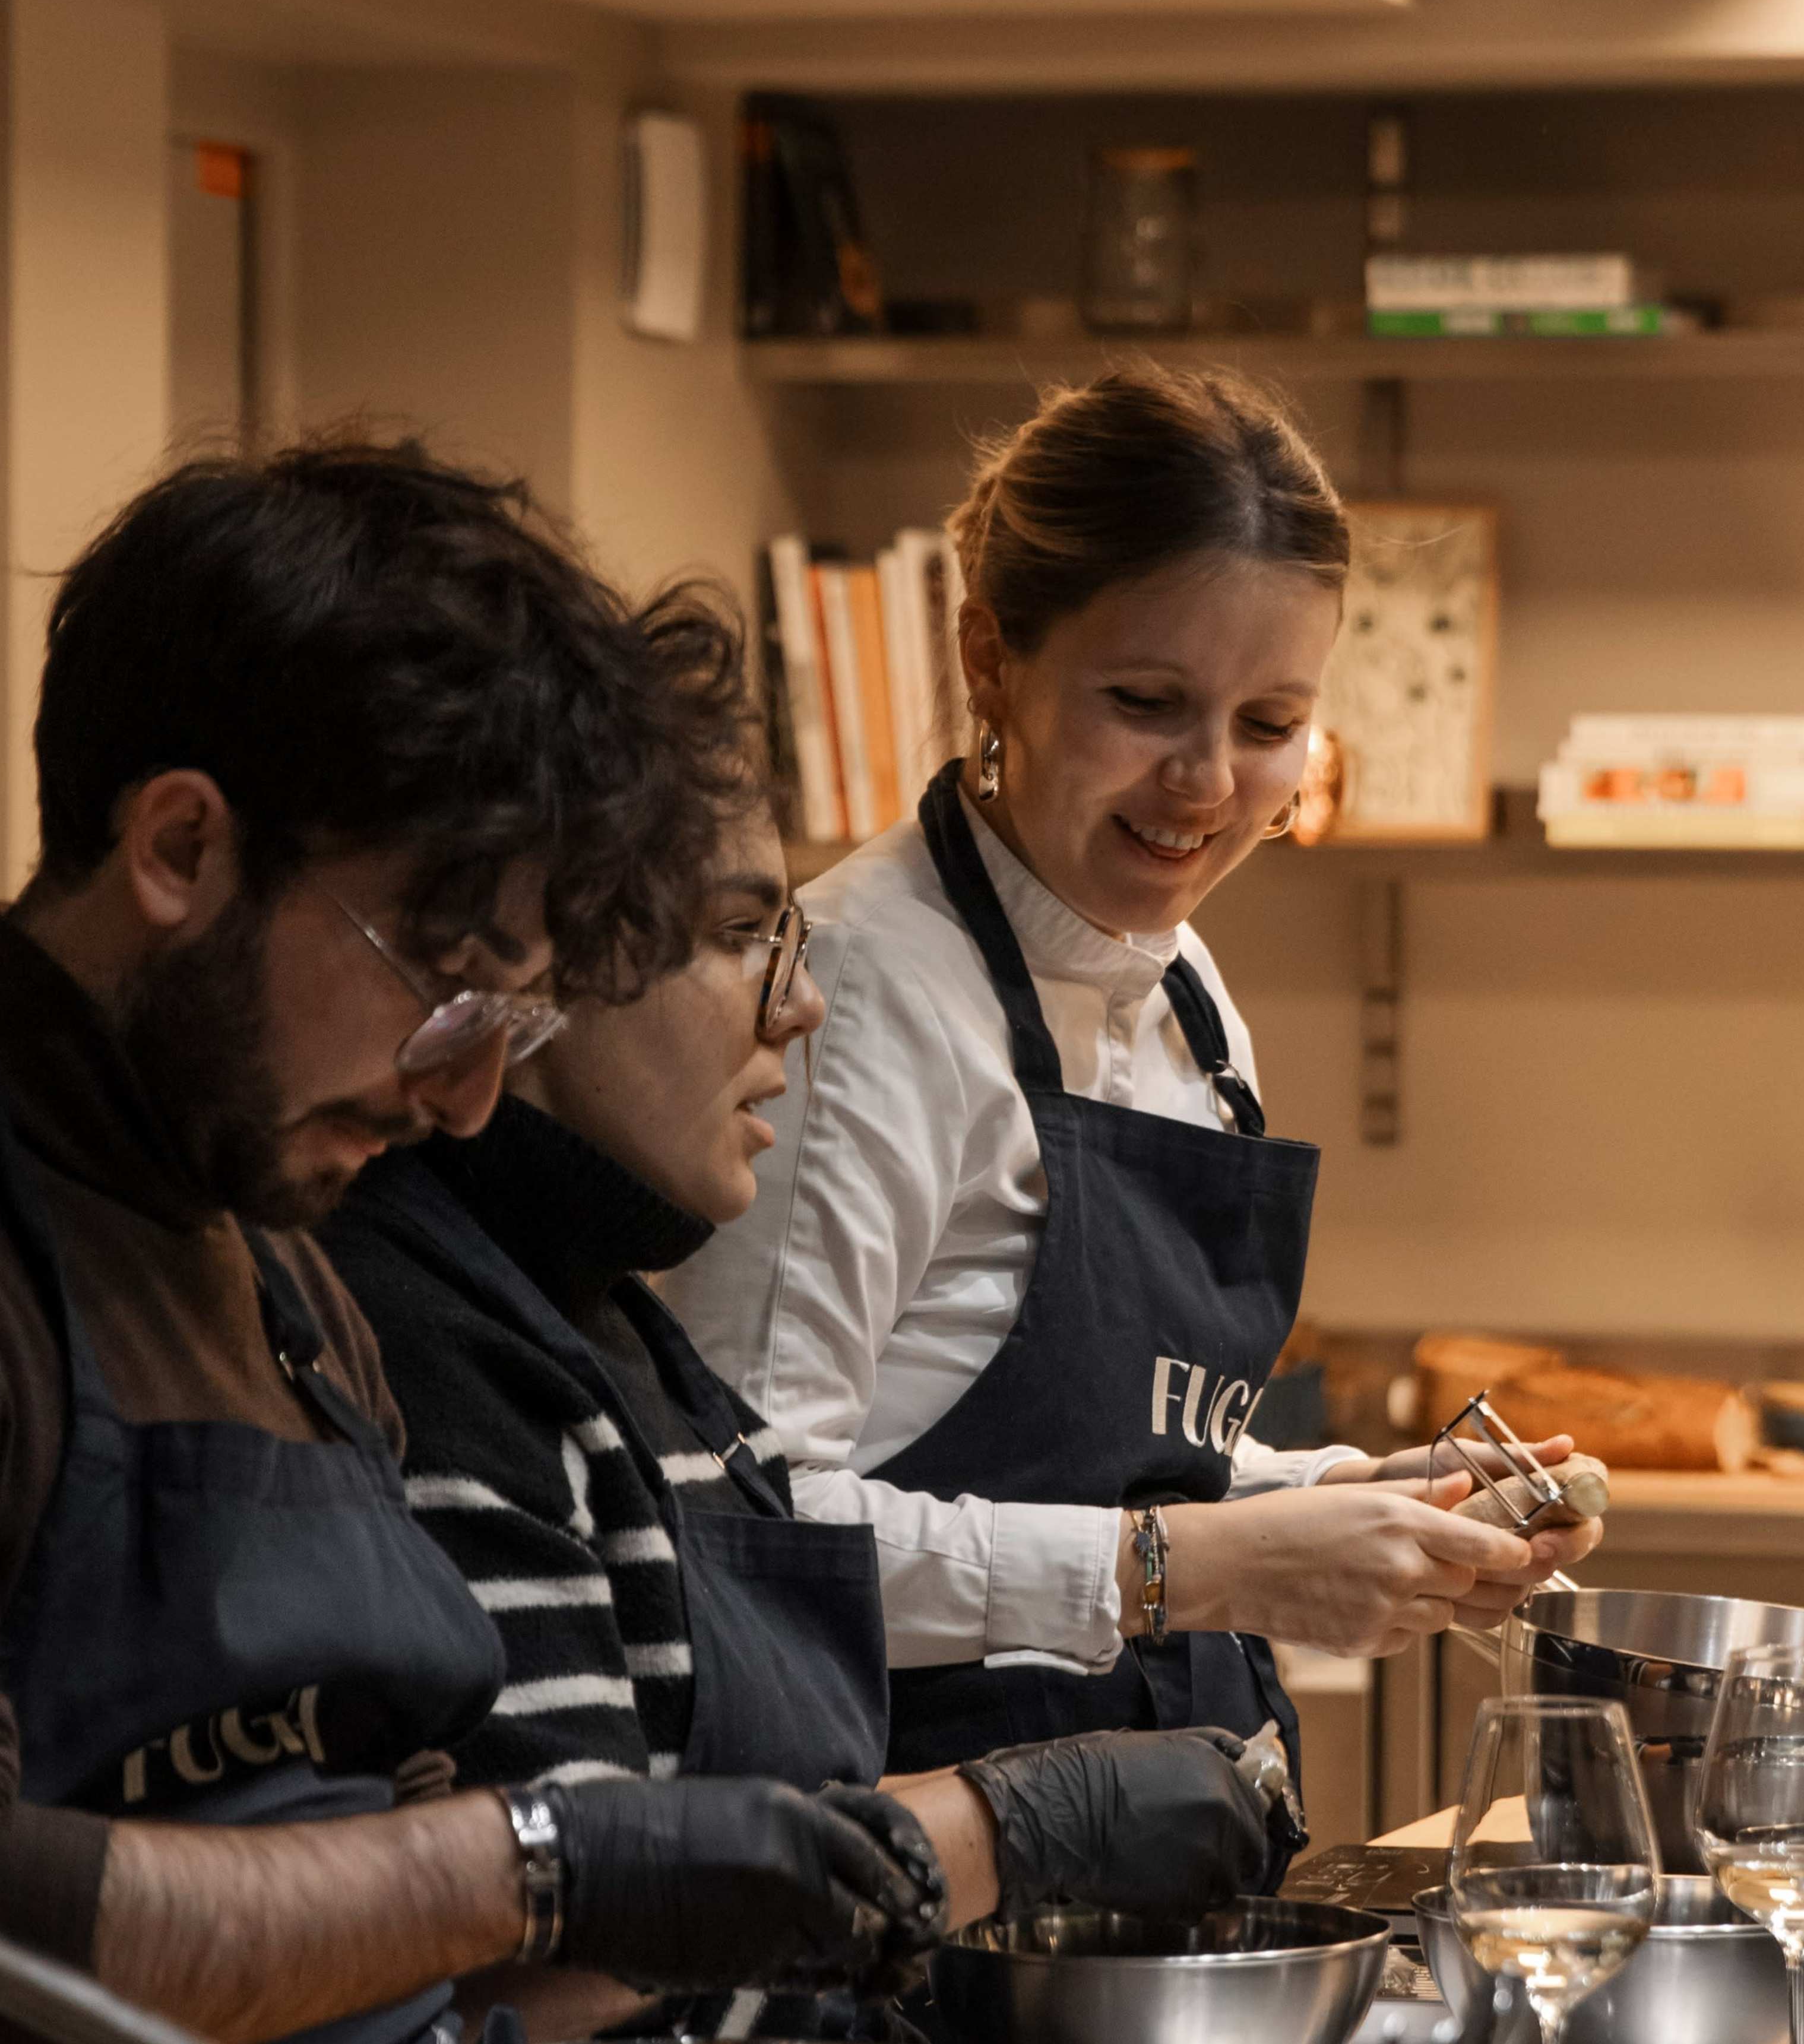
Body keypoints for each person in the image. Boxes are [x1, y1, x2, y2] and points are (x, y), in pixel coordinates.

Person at [0, 440, 939, 2044]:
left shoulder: (286, 1272)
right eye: (439, 994)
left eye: (505, 1033)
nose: (458, 1101)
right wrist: (547, 1857)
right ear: (180, 850)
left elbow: (396, 1891)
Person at [319, 591, 1299, 2044]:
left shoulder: (624, 1342)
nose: (799, 1008)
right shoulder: (448, 1360)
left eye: (1272, 723)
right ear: (519, 967)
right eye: (736, 935)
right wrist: (1002, 1823)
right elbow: (554, 1977)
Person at [670, 365, 1603, 1777]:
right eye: (1149, 701)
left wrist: (1368, 1501)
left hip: (1168, 1837)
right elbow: (743, 1534)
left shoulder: (1189, 994)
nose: (1209, 784)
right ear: (993, 661)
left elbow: (1122, 1468)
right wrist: (1195, 1570)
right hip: (911, 1861)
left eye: (1268, 724)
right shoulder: (859, 996)